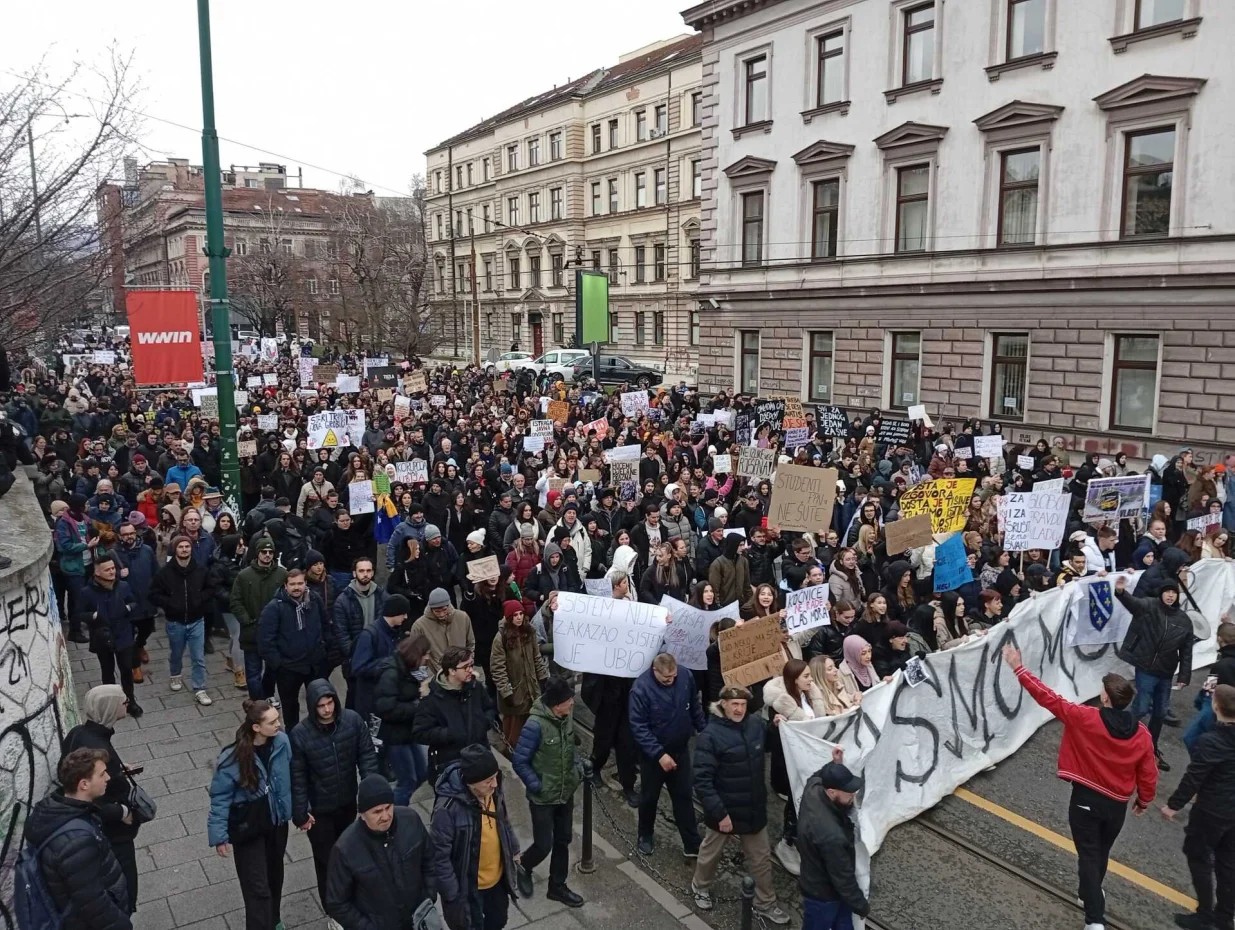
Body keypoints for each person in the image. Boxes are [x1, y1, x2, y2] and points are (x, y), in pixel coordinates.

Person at [1003, 644, 1157, 930]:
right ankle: (1089, 892)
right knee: (1100, 852)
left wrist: (1018, 668)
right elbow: (1149, 773)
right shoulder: (1143, 735)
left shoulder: (1086, 717)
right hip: (1116, 806)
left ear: (1104, 697)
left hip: (1085, 800)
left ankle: (1095, 919)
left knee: (1088, 853)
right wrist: (1144, 800)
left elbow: (1048, 698)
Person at [690, 685, 791, 925]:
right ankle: (699, 886)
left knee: (761, 859)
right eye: (734, 704)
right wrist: (719, 813)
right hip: (724, 811)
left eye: (743, 705)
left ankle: (765, 903)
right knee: (710, 853)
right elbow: (702, 780)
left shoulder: (755, 725)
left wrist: (776, 729)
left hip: (753, 807)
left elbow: (766, 745)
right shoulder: (711, 736)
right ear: (723, 704)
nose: (739, 709)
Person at [289, 678, 379, 915]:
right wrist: (300, 813)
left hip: (348, 804)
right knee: (327, 863)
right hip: (319, 813)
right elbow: (297, 776)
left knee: (353, 855)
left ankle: (355, 901)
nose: (327, 709)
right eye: (321, 705)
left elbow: (367, 757)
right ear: (312, 707)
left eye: (330, 703)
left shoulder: (352, 721)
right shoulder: (300, 735)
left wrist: (370, 799)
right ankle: (335, 911)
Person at [22, 747, 132, 930]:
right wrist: (122, 924)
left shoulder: (54, 809)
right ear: (84, 784)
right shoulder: (76, 842)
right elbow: (93, 903)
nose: (108, 778)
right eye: (102, 774)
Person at [208, 700, 292, 930]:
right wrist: (219, 836)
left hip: (276, 822)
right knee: (257, 889)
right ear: (256, 727)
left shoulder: (282, 742)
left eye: (278, 719)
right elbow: (220, 798)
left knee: (275, 876)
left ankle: (273, 919)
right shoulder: (233, 757)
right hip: (249, 828)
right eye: (273, 722)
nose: (279, 724)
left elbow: (293, 775)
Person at [60, 686, 143, 915]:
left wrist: (118, 766)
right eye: (123, 702)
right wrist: (123, 812)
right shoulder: (99, 744)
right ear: (110, 707)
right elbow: (91, 804)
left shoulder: (79, 732)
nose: (127, 704)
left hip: (106, 832)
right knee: (123, 891)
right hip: (114, 835)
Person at [1162, 682, 1235, 930]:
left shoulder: (1211, 741)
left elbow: (1194, 776)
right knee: (1228, 863)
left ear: (1215, 706)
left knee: (1198, 856)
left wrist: (1173, 805)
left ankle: (1204, 914)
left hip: (1212, 810)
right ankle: (1224, 917)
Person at [324, 774, 438, 930]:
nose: (386, 816)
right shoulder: (345, 849)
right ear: (362, 815)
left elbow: (430, 859)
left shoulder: (411, 820)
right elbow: (336, 902)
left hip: (418, 919)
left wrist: (429, 895)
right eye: (377, 812)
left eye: (388, 807)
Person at [511, 675, 584, 907]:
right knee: (544, 844)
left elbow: (571, 746)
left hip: (565, 792)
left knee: (563, 839)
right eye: (569, 700)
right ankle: (523, 863)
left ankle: (557, 887)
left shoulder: (566, 717)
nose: (573, 703)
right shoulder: (535, 725)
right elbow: (519, 761)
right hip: (543, 798)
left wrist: (578, 770)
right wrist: (537, 786)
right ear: (556, 704)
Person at [431, 744, 521, 930]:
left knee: (498, 921)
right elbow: (440, 857)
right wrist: (452, 894)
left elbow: (503, 820)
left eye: (495, 777)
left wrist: (513, 847)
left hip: (496, 881)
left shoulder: (492, 790)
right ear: (472, 782)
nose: (495, 784)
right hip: (469, 888)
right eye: (488, 780)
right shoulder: (447, 809)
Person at [629, 652, 706, 857]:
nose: (671, 680)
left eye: (673, 676)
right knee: (649, 798)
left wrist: (704, 731)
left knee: (683, 797)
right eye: (666, 678)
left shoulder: (686, 677)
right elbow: (638, 727)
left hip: (680, 751)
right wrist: (658, 754)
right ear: (655, 671)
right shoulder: (641, 689)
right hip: (653, 758)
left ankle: (691, 842)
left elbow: (694, 707)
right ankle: (645, 835)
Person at [1115, 574, 1194, 771]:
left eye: (1173, 593)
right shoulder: (1149, 606)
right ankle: (1122, 740)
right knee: (1141, 707)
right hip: (1146, 667)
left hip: (1166, 672)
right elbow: (1132, 603)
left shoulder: (1184, 620)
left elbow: (1186, 650)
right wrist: (1121, 592)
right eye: (1167, 592)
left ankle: (1150, 748)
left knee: (1160, 712)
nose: (1170, 596)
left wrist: (1184, 675)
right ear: (1161, 594)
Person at [796, 748, 869, 930]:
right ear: (831, 792)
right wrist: (861, 905)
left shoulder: (813, 789)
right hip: (824, 895)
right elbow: (842, 877)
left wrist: (834, 764)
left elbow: (817, 775)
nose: (853, 795)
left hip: (815, 879)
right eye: (848, 792)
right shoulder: (831, 835)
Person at [258, 568, 328, 728]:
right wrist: (279, 664)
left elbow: (326, 625)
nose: (297, 587)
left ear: (305, 583)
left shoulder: (315, 600)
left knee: (319, 704)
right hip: (289, 669)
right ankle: (294, 738)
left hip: (314, 665)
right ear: (285, 585)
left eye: (300, 583)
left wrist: (325, 652)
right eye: (292, 584)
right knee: (290, 709)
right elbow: (265, 641)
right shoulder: (274, 607)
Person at [149, 534, 213, 706]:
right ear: (175, 549)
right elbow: (153, 594)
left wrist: (200, 599)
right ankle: (175, 674)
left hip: (196, 621)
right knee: (176, 653)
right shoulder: (165, 572)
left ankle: (200, 688)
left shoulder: (200, 570)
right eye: (181, 547)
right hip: (175, 622)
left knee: (198, 657)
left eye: (187, 546)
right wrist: (170, 603)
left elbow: (210, 589)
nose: (184, 549)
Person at [413, 645, 494, 780]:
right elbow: (419, 733)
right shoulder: (432, 698)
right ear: (451, 671)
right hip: (452, 764)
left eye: (471, 665)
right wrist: (448, 733)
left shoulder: (476, 687)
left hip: (479, 757)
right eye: (465, 667)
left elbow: (489, 709)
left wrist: (483, 723)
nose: (471, 670)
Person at [76, 554, 142, 717]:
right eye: (108, 569)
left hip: (123, 635)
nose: (112, 572)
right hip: (102, 637)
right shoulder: (87, 592)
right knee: (107, 671)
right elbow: (79, 614)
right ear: (97, 573)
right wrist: (93, 616)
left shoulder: (124, 586)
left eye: (113, 568)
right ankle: (112, 704)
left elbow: (133, 602)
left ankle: (130, 701)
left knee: (126, 670)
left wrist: (127, 608)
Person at [374, 634, 433, 804]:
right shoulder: (391, 673)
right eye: (426, 654)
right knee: (407, 782)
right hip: (395, 737)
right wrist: (418, 704)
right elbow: (386, 708)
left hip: (408, 732)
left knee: (422, 773)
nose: (428, 658)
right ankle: (396, 813)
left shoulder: (407, 669)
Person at [230, 536, 288, 702]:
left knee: (272, 669)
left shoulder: (282, 574)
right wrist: (246, 619)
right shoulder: (244, 575)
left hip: (275, 633)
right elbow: (235, 601)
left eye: (271, 552)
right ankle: (257, 701)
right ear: (257, 554)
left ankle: (268, 696)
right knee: (253, 672)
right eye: (264, 552)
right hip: (252, 633)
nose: (268, 555)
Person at [332, 556, 389, 709]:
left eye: (368, 570)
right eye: (361, 571)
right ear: (354, 573)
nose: (365, 574)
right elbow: (341, 634)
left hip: (378, 657)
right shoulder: (343, 600)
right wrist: (356, 655)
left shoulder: (382, 596)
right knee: (355, 700)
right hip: (354, 660)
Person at [491, 600, 549, 749]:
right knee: (513, 732)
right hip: (515, 691)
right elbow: (498, 668)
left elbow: (536, 657)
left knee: (532, 728)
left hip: (531, 688)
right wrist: (506, 692)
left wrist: (543, 677)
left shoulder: (529, 631)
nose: (519, 617)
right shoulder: (501, 638)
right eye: (515, 615)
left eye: (521, 613)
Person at [114, 519, 158, 685]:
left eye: (131, 533)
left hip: (146, 601)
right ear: (119, 536)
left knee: (146, 629)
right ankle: (135, 667)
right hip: (126, 603)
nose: (129, 537)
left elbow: (156, 572)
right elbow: (104, 575)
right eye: (125, 535)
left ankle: (141, 645)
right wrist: (118, 574)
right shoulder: (114, 553)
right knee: (129, 637)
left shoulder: (146, 550)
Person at [409, 587, 476, 672]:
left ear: (449, 605)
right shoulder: (419, 626)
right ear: (431, 608)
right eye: (437, 611)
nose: (441, 614)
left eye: (444, 610)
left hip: (462, 672)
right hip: (436, 675)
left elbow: (470, 643)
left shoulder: (463, 617)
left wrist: (468, 663)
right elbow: (417, 655)